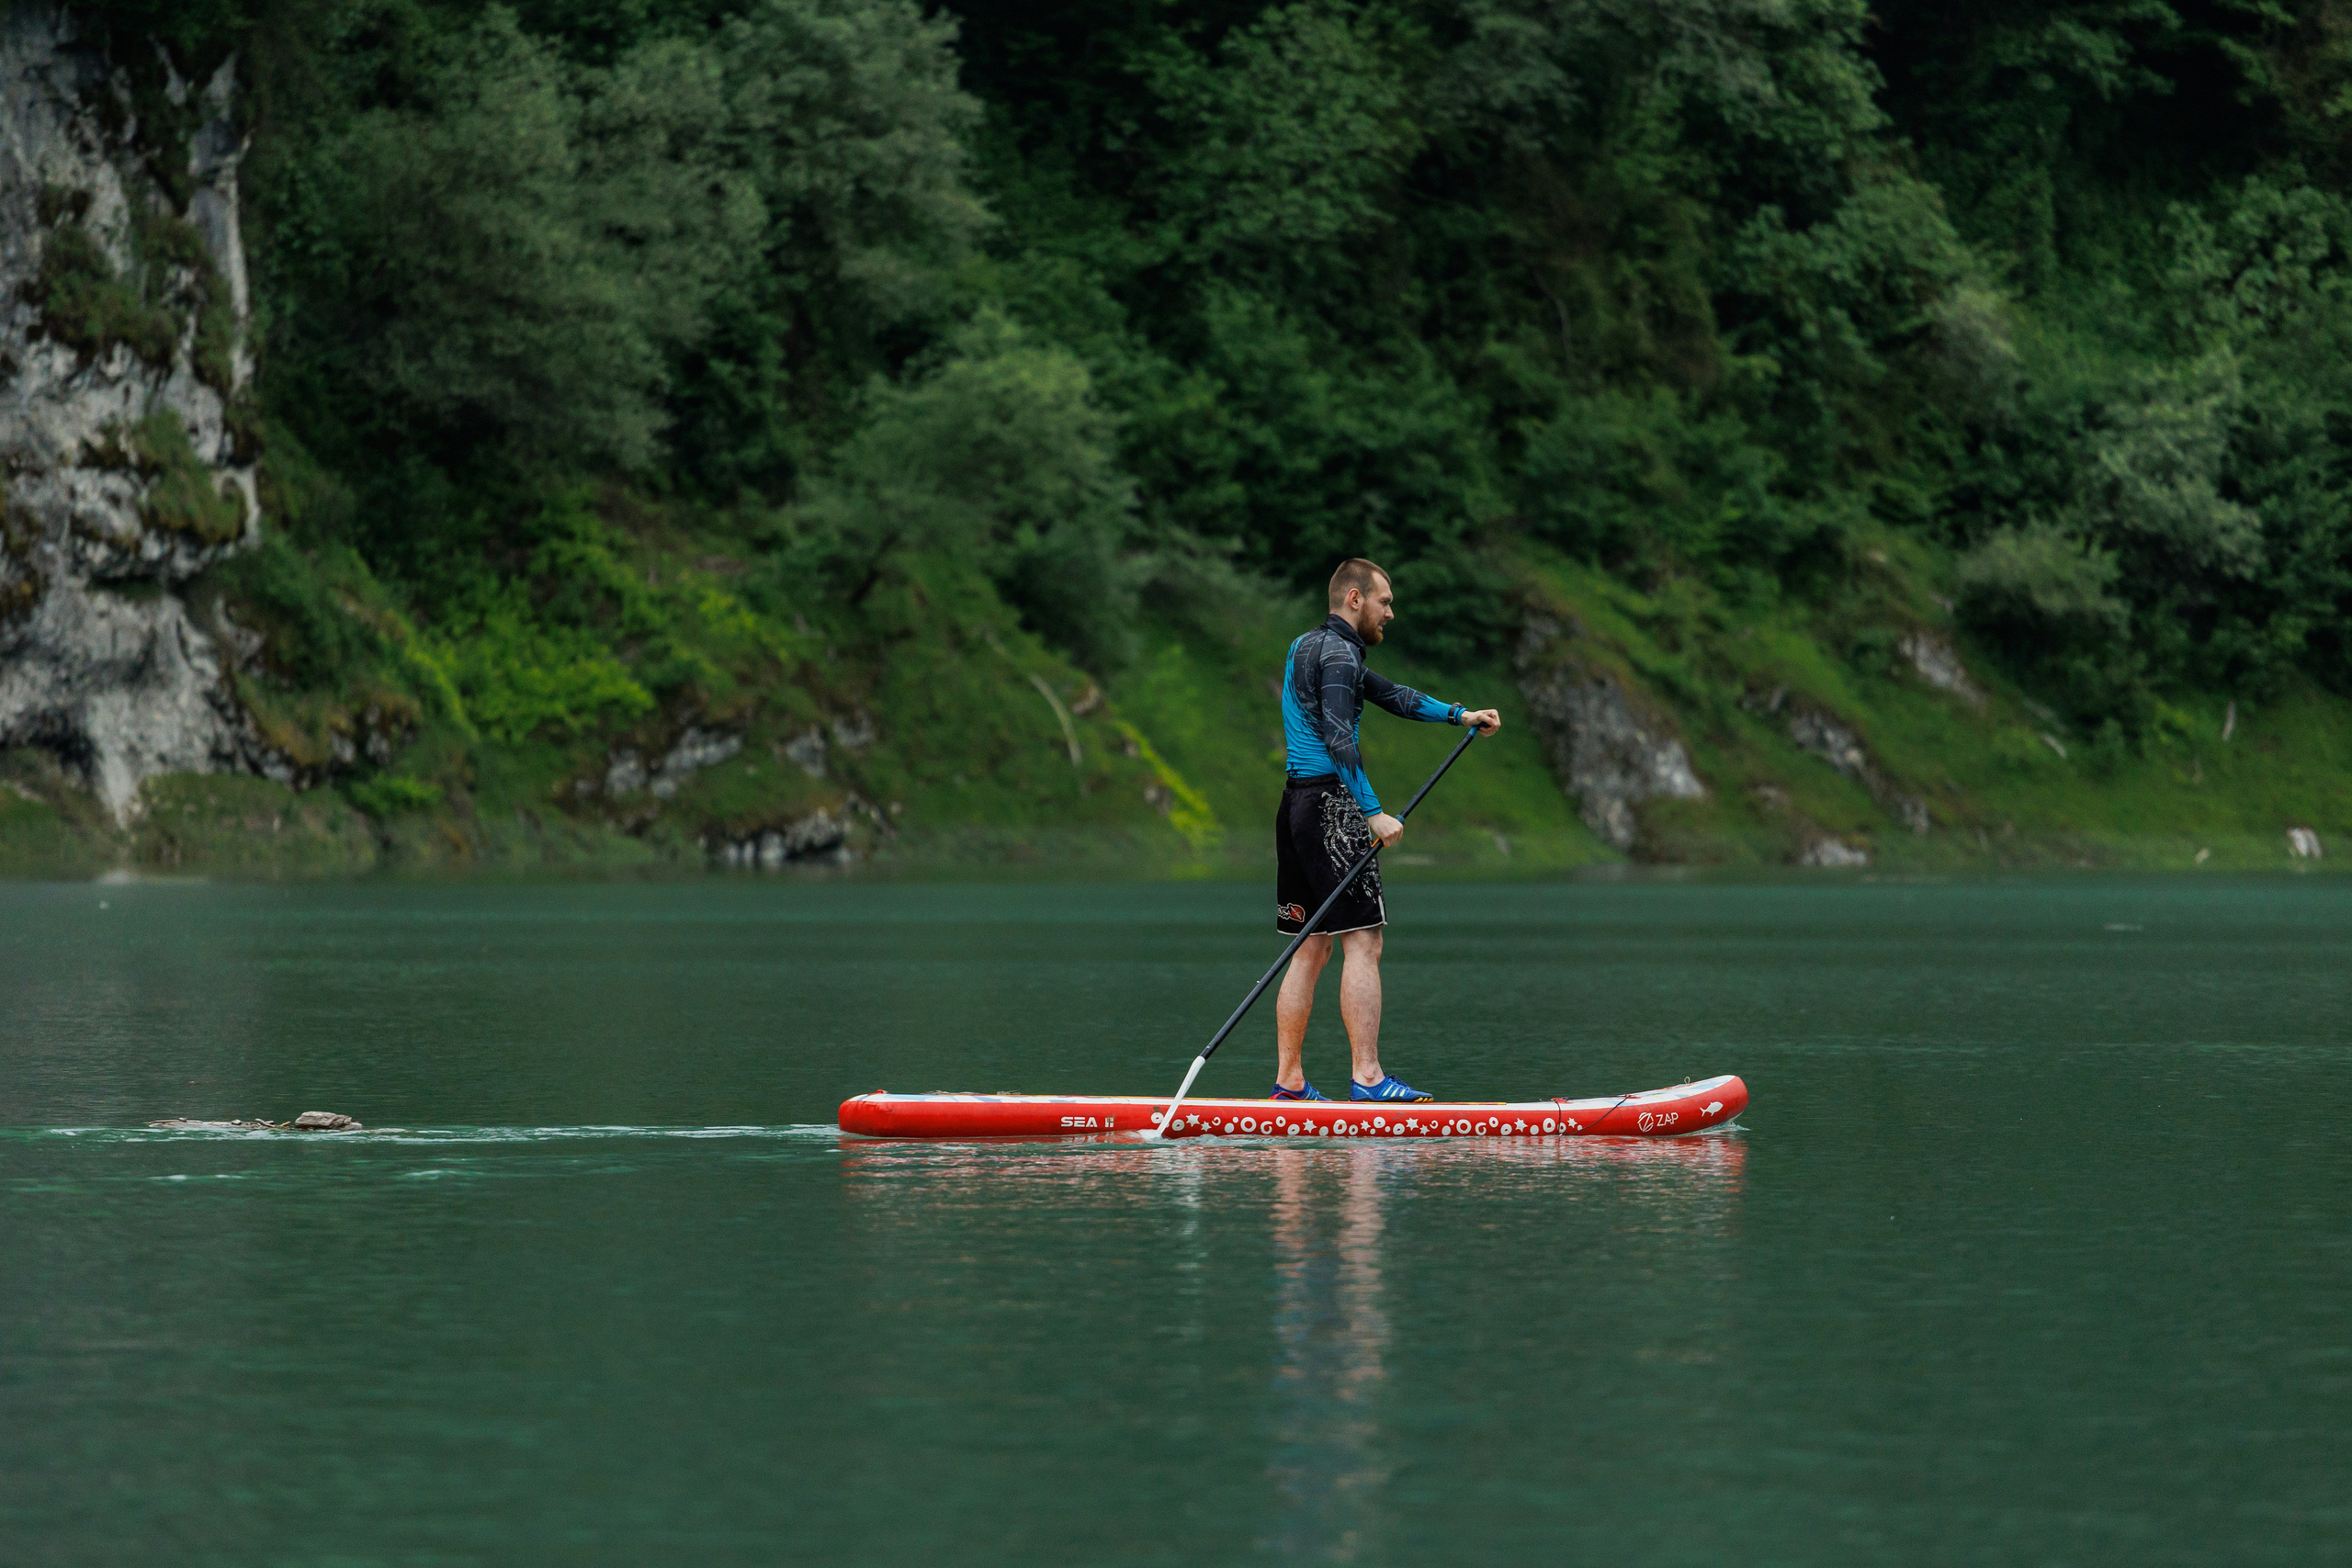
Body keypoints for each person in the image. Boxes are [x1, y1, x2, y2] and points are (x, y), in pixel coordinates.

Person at [1271, 558, 1500, 1102]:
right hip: (1333, 810)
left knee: (1310, 949)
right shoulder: (1341, 655)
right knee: (1364, 942)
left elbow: (1392, 694)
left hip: (1295, 807)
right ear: (1355, 598)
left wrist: (1459, 715)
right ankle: (1369, 1079)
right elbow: (1337, 737)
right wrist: (1372, 811)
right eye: (1385, 601)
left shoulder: (1306, 647)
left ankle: (1289, 1084)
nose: (1390, 613)